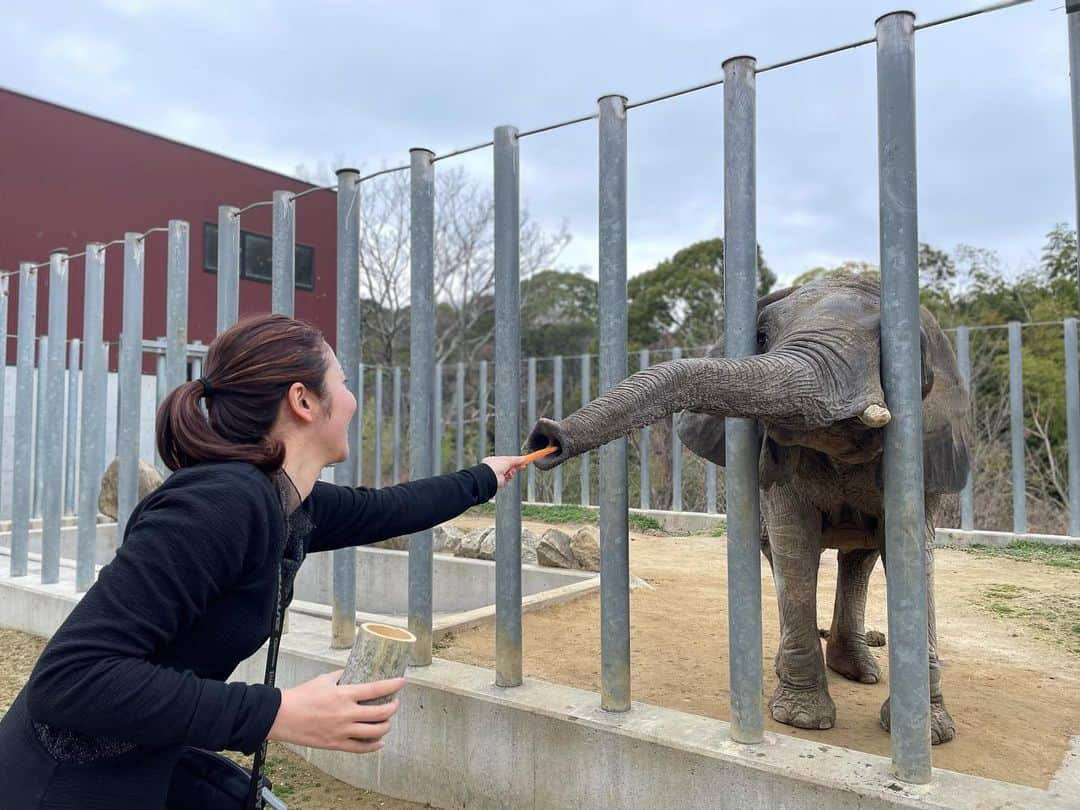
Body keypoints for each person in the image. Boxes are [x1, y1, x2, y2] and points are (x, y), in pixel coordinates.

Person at [0, 313, 525, 809]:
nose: (351, 399)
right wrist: (279, 713)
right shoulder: (219, 506)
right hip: (59, 785)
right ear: (303, 400)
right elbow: (70, 678)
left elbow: (388, 508)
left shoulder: (285, 501)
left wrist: (487, 474)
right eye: (341, 383)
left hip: (136, 764)